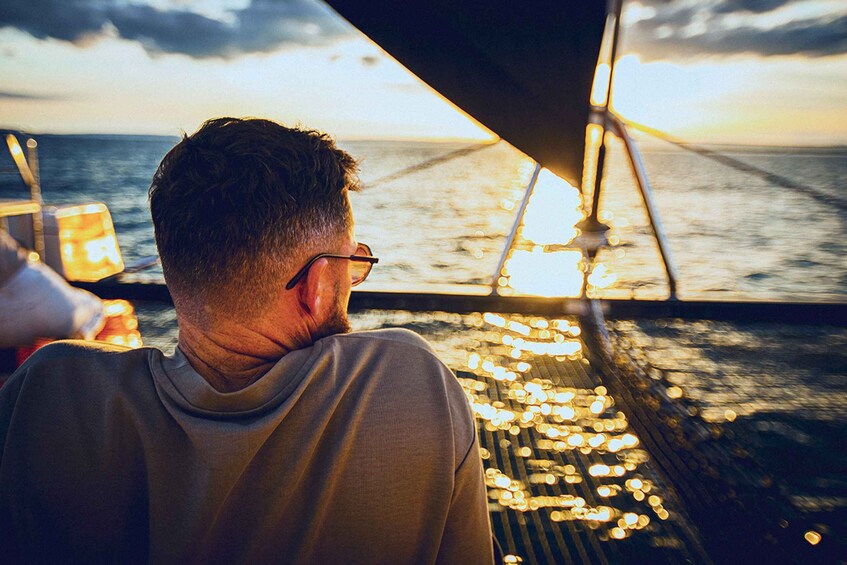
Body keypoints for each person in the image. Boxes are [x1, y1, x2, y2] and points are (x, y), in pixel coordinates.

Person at [0, 117, 495, 563]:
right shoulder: (410, 383)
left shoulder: (46, 395)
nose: (354, 278)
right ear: (318, 285)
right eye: (353, 262)